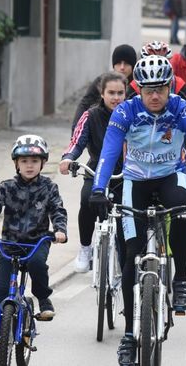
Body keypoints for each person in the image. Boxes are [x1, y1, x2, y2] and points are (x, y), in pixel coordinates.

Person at [89, 55, 186, 366]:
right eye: (148, 90)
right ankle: (130, 335)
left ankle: (181, 279)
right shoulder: (126, 111)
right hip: (135, 182)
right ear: (138, 90)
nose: (154, 96)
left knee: (183, 208)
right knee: (131, 253)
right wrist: (98, 188)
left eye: (160, 88)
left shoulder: (183, 110)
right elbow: (109, 150)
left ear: (170, 86)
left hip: (171, 175)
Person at [0, 135, 68, 350]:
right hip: (10, 244)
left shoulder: (49, 187)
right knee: (1, 289)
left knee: (36, 264)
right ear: (16, 163)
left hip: (37, 241)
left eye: (34, 161)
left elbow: (58, 210)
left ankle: (44, 299)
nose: (29, 166)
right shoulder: (7, 187)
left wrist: (60, 230)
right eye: (24, 161)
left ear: (43, 163)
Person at [60, 73, 127, 273]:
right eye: (111, 93)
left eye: (120, 93)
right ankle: (85, 247)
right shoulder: (91, 115)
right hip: (96, 169)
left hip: (127, 173)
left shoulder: (132, 114)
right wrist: (68, 157)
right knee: (86, 199)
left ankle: (128, 257)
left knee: (128, 214)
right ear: (102, 93)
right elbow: (77, 141)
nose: (116, 97)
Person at [72, 44, 136, 131]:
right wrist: (75, 131)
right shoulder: (103, 80)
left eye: (126, 63)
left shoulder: (138, 84)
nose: (122, 67)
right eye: (118, 63)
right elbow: (85, 103)